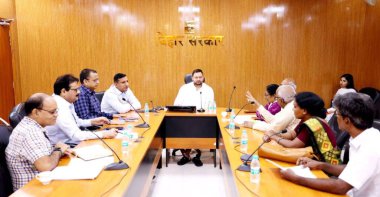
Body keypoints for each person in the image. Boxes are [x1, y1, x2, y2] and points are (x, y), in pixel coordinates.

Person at [280, 93, 380, 196]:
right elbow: (351, 169)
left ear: (347, 120)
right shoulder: (366, 136)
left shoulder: (370, 146)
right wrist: (321, 165)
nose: (336, 117)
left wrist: (296, 178)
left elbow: (341, 187)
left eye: (337, 114)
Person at [6, 93, 70, 190]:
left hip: (41, 185)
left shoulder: (33, 126)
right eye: (52, 112)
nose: (56, 115)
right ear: (36, 112)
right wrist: (58, 150)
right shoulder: (29, 132)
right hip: (33, 190)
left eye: (56, 111)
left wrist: (58, 149)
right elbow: (46, 166)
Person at [264, 92, 340, 164]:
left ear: (304, 111)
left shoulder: (314, 123)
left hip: (327, 168)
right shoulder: (307, 119)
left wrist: (273, 136)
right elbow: (292, 135)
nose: (293, 109)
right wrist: (274, 134)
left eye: (295, 107)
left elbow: (292, 145)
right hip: (315, 162)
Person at [46, 74, 117, 145]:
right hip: (67, 146)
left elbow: (76, 122)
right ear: (64, 91)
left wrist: (92, 122)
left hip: (72, 142)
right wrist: (103, 134)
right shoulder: (59, 107)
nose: (79, 92)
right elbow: (76, 135)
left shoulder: (66, 101)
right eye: (75, 90)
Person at [174, 69, 214, 167]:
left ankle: (192, 155)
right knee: (176, 129)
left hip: (202, 120)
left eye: (200, 77)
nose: (198, 79)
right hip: (185, 119)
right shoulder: (184, 88)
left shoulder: (209, 90)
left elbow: (211, 107)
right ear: (192, 78)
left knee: (194, 130)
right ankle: (188, 155)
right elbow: (176, 104)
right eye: (196, 77)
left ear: (203, 78)